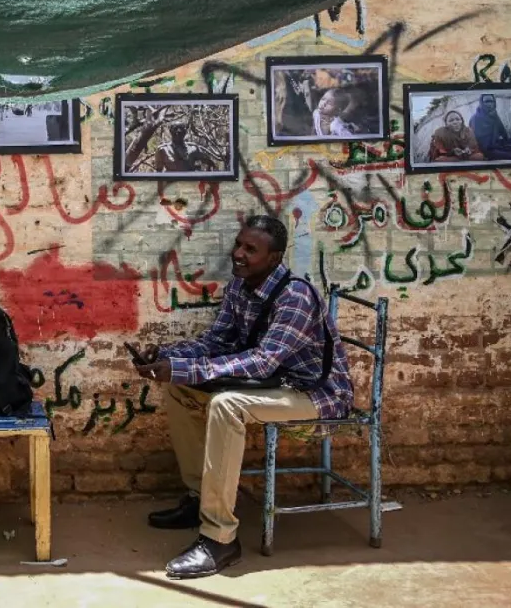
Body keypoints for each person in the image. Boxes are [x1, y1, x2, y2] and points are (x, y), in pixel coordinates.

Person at [129, 215, 353, 579]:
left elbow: (263, 362)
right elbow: (216, 342)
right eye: (238, 244)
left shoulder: (295, 296)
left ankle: (219, 539)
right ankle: (201, 500)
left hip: (315, 394)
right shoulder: (240, 286)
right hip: (275, 386)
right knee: (179, 388)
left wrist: (185, 368)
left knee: (226, 405)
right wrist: (169, 358)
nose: (238, 254)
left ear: (274, 258)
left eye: (251, 249)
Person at [469, 94, 511, 160]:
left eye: (491, 101)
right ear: (481, 103)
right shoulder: (475, 118)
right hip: (486, 150)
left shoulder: (493, 114)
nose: (489, 104)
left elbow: (502, 130)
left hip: (496, 144)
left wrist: (506, 142)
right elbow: (476, 141)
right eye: (486, 101)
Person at [153, 123, 218, 173]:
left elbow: (210, 162)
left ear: (185, 131)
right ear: (171, 131)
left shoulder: (193, 148)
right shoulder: (163, 150)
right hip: (172, 183)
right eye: (175, 129)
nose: (179, 131)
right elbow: (158, 172)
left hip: (190, 183)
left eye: (181, 128)